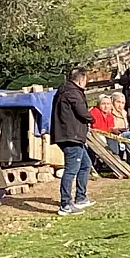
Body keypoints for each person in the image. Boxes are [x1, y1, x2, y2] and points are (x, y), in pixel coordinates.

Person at [51, 67, 95, 216]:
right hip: (71, 136)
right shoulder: (72, 93)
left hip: (72, 135)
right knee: (71, 170)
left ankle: (80, 197)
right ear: (81, 79)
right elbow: (82, 111)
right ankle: (65, 204)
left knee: (86, 164)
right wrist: (92, 119)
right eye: (86, 79)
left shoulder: (64, 90)